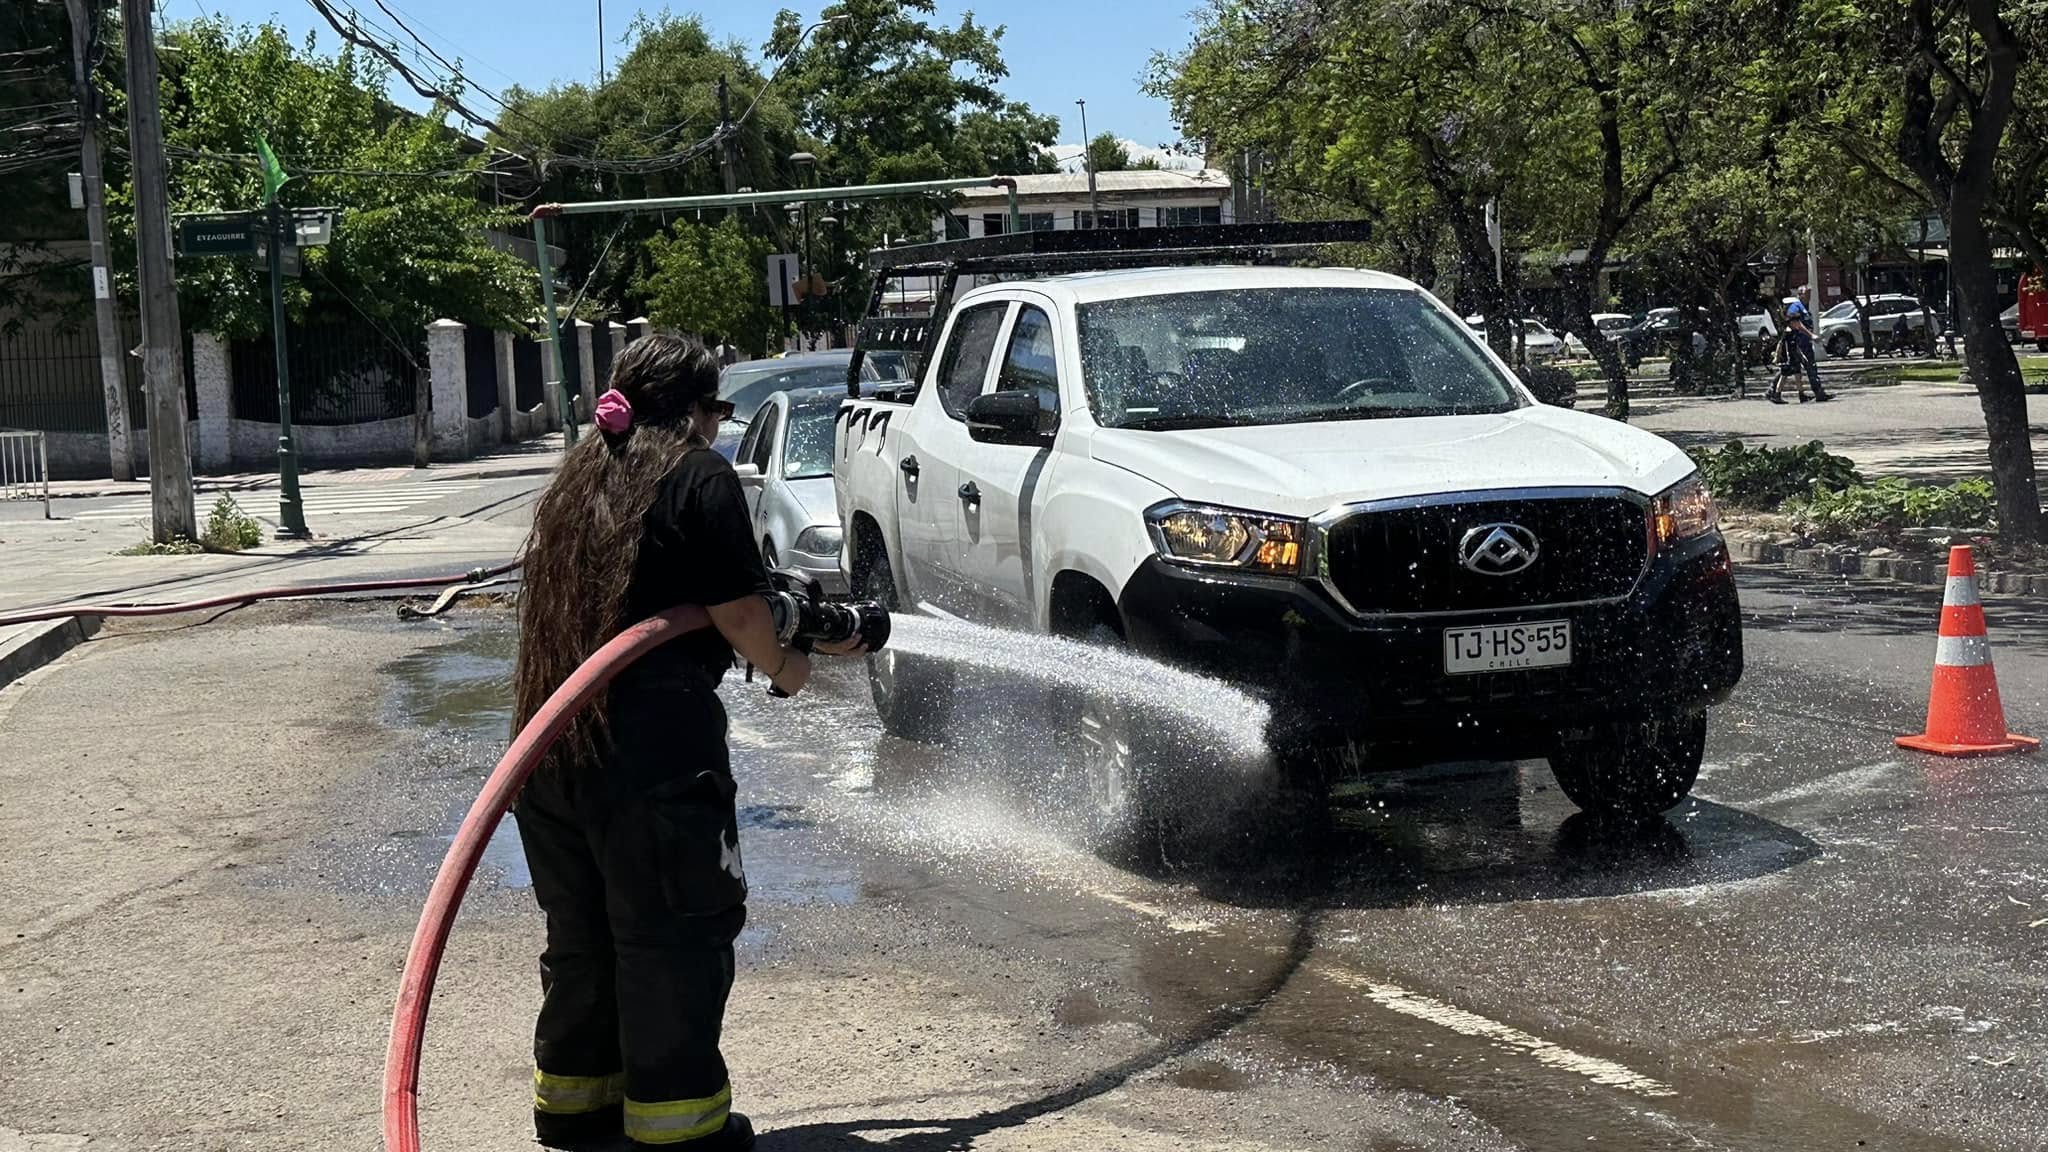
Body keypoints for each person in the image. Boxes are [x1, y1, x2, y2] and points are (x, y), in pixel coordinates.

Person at [510, 334, 863, 1151]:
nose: (716, 426)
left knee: (585, 936)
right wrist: (788, 667)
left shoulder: (580, 473)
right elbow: (740, 612)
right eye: (717, 411)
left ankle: (575, 1106)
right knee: (672, 938)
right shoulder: (696, 473)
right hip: (654, 758)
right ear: (698, 409)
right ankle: (679, 1128)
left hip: (552, 749)